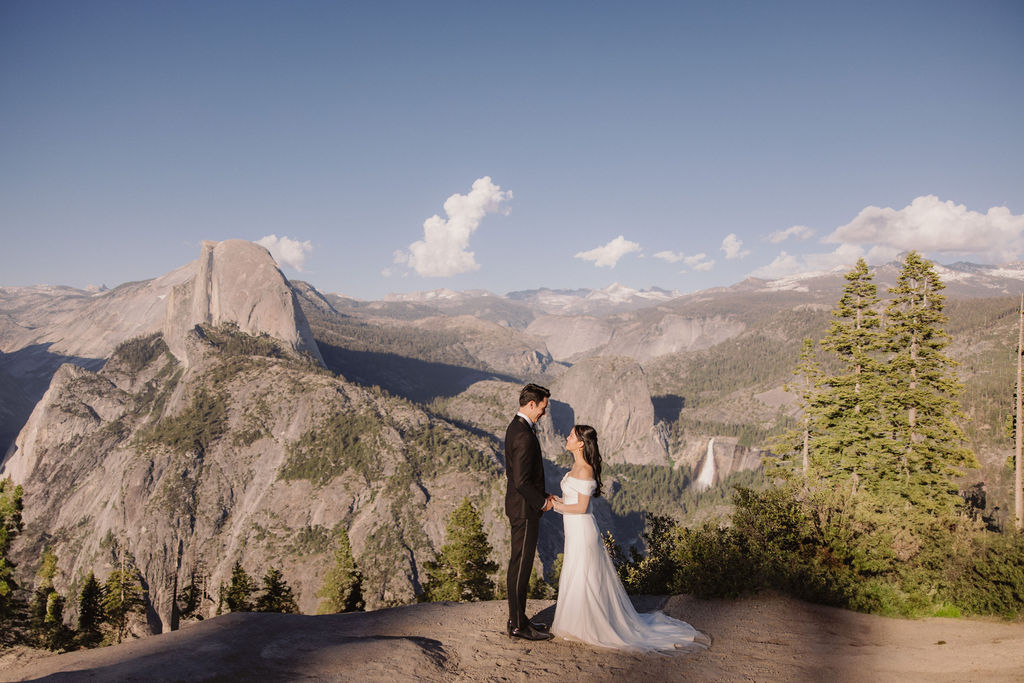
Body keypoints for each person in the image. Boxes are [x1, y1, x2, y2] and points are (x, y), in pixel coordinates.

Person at [550, 424, 711, 652]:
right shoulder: (576, 466)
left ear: (580, 444)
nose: (566, 437)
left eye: (571, 435)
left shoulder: (585, 469)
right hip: (573, 528)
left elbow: (582, 507)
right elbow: (573, 498)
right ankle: (578, 623)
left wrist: (555, 506)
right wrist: (558, 500)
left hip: (583, 530)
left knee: (585, 575)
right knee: (576, 574)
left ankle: (588, 625)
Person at [504, 383, 555, 641]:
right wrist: (542, 503)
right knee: (521, 568)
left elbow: (521, 477)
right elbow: (522, 481)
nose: (543, 414)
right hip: (524, 511)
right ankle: (518, 626)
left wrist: (544, 495)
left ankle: (518, 618)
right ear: (531, 404)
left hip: (522, 507)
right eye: (542, 408)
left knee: (519, 566)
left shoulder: (516, 427)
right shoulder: (523, 434)